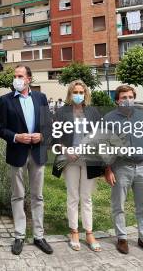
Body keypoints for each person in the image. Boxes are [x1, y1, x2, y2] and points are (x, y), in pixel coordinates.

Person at [0, 65, 53, 255]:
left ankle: (39, 236)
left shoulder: (41, 98)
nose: (16, 79)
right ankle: (19, 236)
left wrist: (42, 136)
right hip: (17, 153)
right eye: (15, 76)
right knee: (18, 196)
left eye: (20, 76)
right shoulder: (5, 100)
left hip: (37, 152)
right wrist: (15, 137)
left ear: (29, 79)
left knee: (38, 196)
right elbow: (1, 129)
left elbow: (48, 125)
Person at [103, 85, 143, 257]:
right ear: (117, 100)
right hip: (121, 166)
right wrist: (108, 169)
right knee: (118, 205)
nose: (127, 100)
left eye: (130, 96)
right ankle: (122, 237)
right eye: (123, 97)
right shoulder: (108, 119)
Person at [51, 81, 104, 251]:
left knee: (86, 197)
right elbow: (55, 136)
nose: (78, 94)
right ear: (70, 94)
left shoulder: (93, 112)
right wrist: (66, 151)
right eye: (75, 92)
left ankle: (89, 232)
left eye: (81, 91)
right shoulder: (62, 112)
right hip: (70, 159)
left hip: (90, 159)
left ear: (86, 94)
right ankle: (74, 231)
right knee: (73, 196)